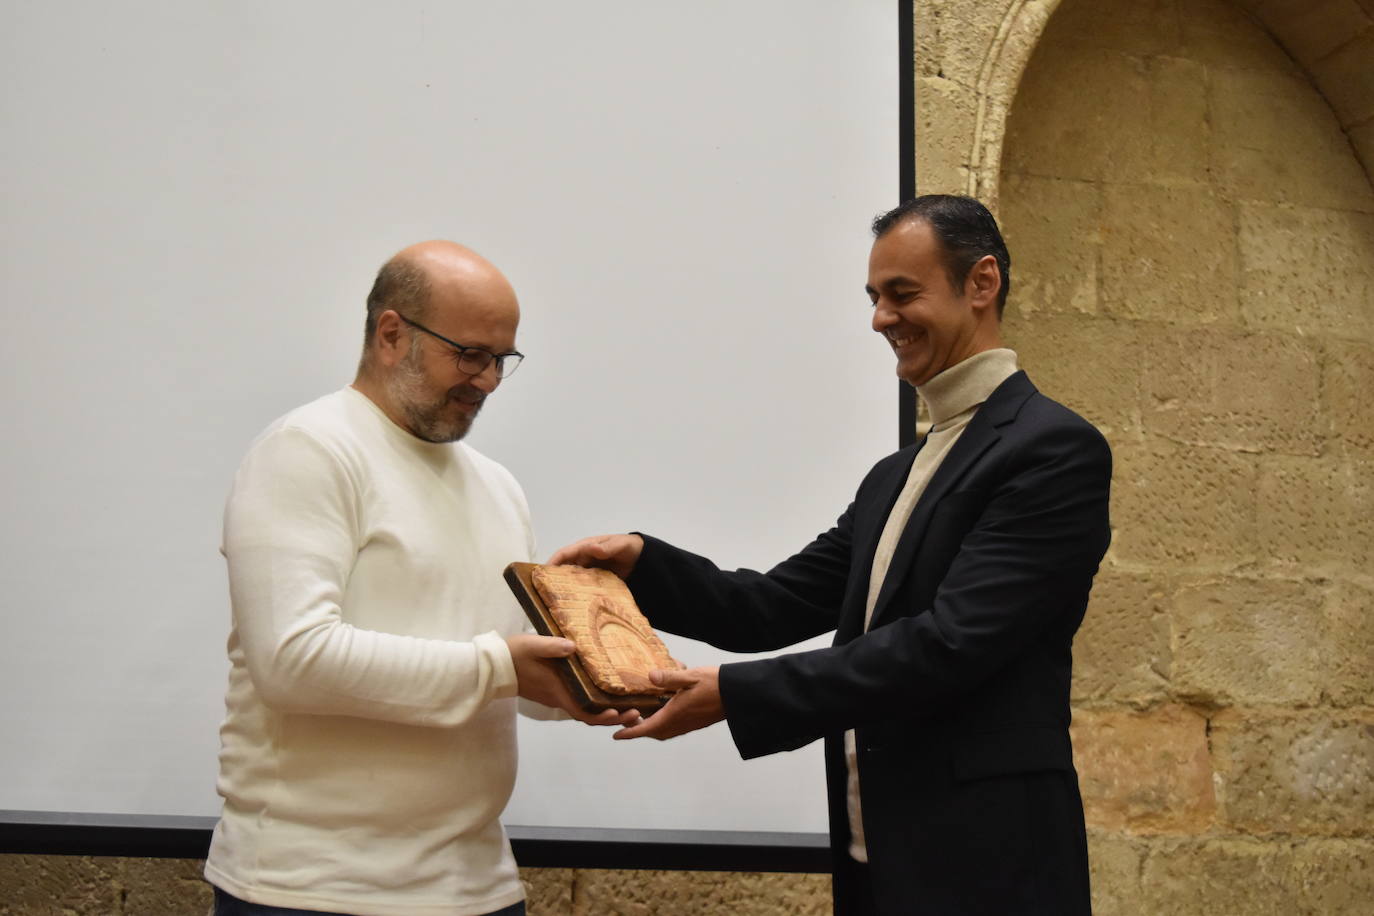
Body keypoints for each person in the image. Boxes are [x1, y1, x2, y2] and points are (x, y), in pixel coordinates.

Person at [553, 196, 1112, 915]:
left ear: (982, 284)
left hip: (987, 865)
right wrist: (642, 563)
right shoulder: (895, 474)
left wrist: (736, 695)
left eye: (903, 294)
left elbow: (950, 644)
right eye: (875, 297)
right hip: (874, 855)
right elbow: (771, 607)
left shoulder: (1053, 450)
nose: (882, 318)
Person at [205, 241, 635, 916]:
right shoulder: (307, 451)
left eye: (502, 360)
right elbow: (290, 661)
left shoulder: (497, 488)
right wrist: (502, 667)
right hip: (312, 890)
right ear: (391, 334)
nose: (488, 381)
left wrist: (591, 682)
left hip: (477, 887)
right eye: (469, 354)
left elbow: (508, 676)